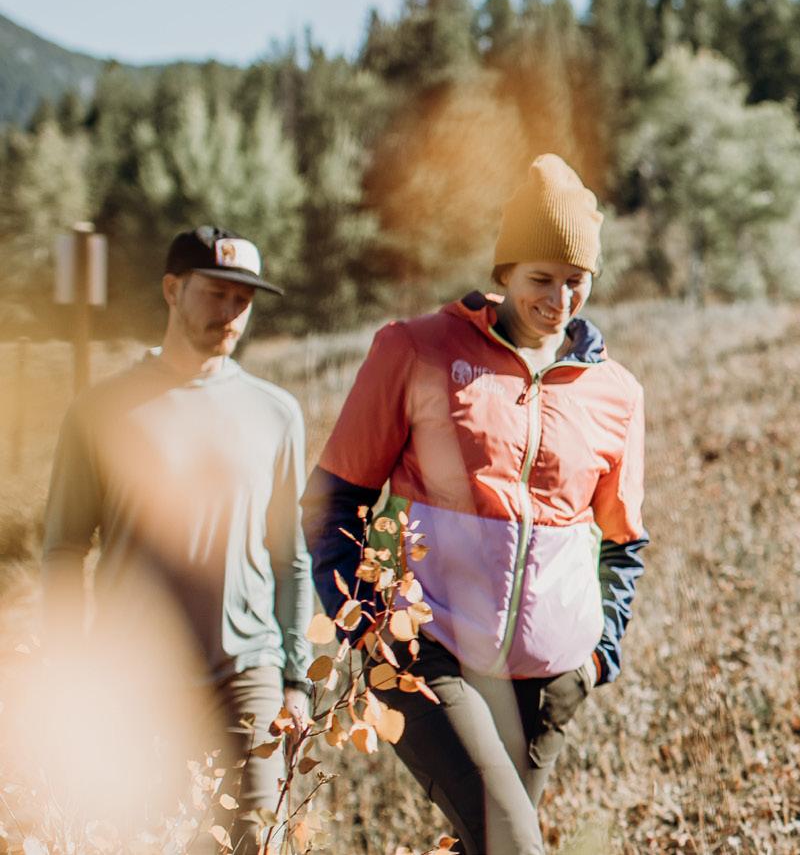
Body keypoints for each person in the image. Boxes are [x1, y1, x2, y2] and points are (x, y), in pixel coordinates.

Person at [301, 154, 649, 855]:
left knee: (482, 846)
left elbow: (623, 542)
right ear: (505, 272)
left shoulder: (616, 392)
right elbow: (334, 500)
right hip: (428, 651)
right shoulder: (417, 350)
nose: (559, 298)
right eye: (540, 278)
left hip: (549, 677)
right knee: (512, 843)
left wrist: (597, 657)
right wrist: (366, 621)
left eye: (576, 279)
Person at [41, 225, 311, 853]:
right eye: (216, 293)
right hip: (136, 674)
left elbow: (289, 558)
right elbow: (63, 551)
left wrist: (296, 679)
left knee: (255, 838)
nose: (231, 312)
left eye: (243, 300)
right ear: (171, 289)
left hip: (246, 668)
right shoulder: (100, 410)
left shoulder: (277, 414)